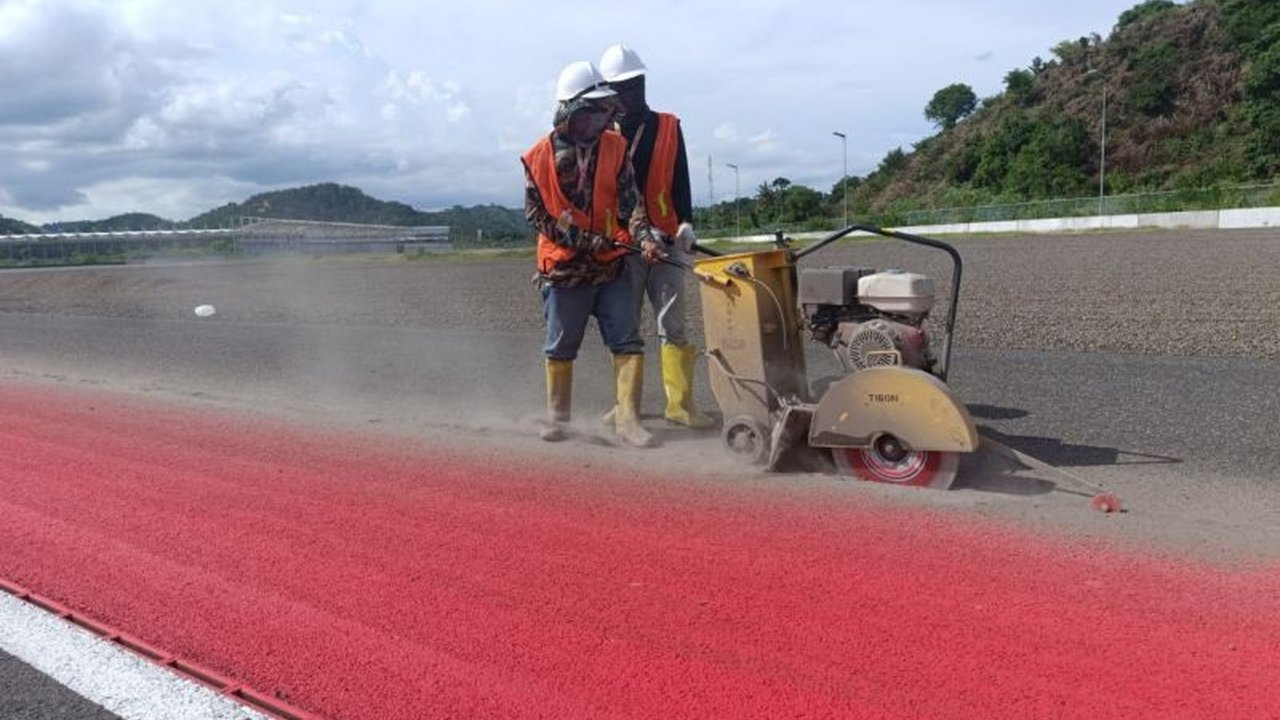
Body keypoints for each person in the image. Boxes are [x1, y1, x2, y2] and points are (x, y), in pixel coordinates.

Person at [521, 60, 664, 448]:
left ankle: (629, 422)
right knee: (561, 346)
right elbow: (539, 216)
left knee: (627, 340)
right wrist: (588, 242)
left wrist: (644, 236)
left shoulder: (616, 147)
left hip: (610, 265)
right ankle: (558, 419)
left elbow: (630, 204)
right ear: (569, 111)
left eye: (604, 112)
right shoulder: (539, 157)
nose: (598, 122)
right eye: (591, 113)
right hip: (564, 268)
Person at [599, 44, 714, 429]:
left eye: (636, 84)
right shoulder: (601, 134)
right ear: (608, 92)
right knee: (625, 329)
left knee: (674, 325)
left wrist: (685, 222)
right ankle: (624, 407)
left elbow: (680, 178)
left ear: (644, 82)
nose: (630, 93)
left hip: (666, 242)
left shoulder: (668, 125)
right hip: (623, 246)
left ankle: (680, 407)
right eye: (621, 88)